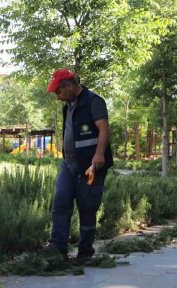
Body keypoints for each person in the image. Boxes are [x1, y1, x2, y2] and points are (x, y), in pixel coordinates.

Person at [45, 69, 113, 264]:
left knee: (87, 206)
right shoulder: (68, 107)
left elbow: (104, 129)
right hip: (69, 165)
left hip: (91, 165)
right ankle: (58, 249)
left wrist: (99, 154)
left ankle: (85, 252)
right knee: (61, 202)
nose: (57, 97)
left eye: (59, 92)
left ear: (69, 86)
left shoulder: (93, 101)